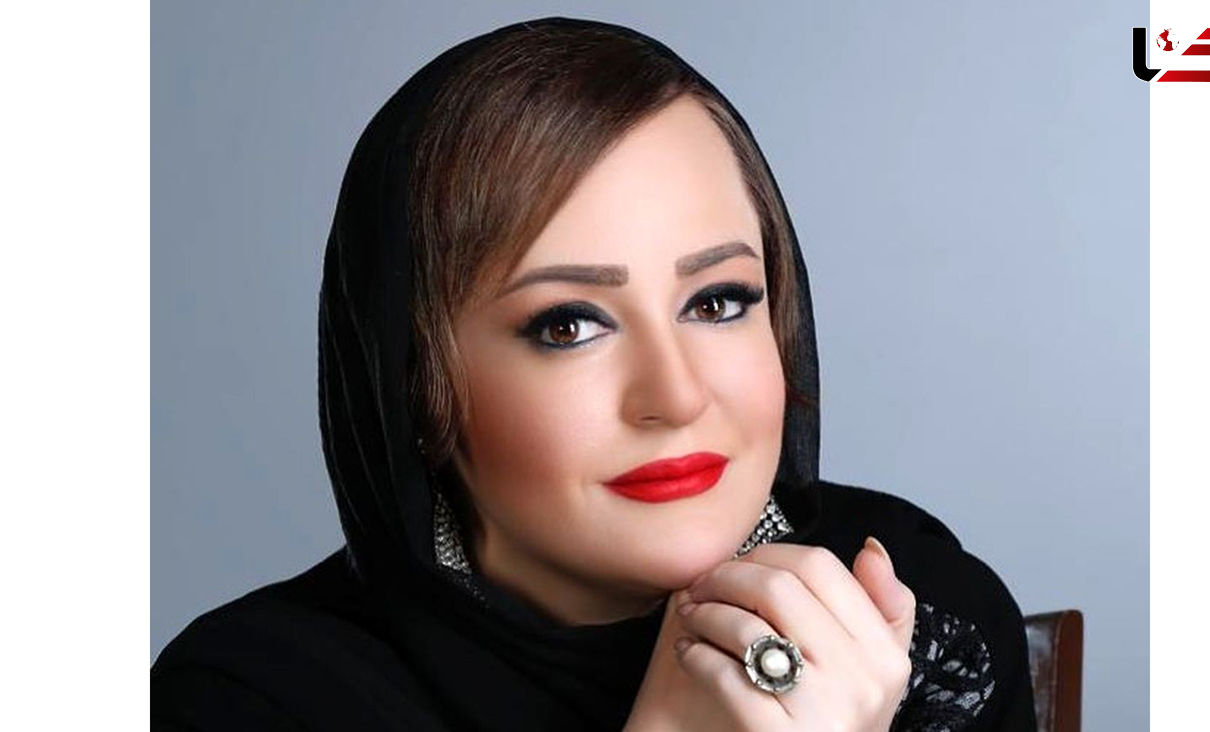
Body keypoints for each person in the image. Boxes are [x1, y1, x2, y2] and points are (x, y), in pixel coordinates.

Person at [151, 16, 1037, 731]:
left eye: (717, 302)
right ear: (417, 386)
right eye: (568, 325)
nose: (676, 395)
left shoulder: (919, 612)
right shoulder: (250, 698)